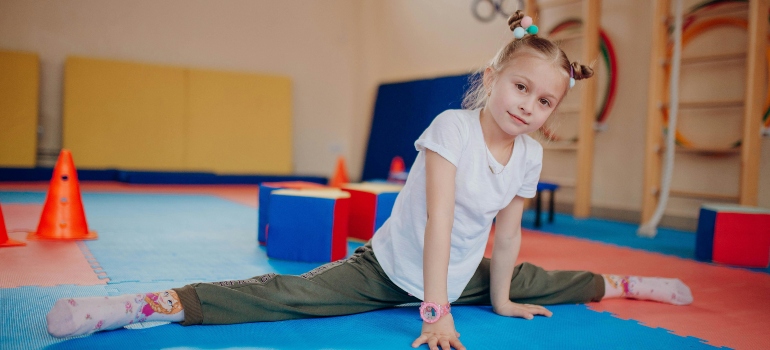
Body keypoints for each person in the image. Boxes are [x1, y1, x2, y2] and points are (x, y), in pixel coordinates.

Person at [46, 11, 692, 350]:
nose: (529, 106)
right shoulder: (452, 129)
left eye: (545, 101)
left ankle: (625, 284)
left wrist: (498, 300)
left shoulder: (527, 157)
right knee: (289, 295)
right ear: (494, 78)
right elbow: (438, 222)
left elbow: (508, 236)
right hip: (389, 267)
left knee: (533, 280)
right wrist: (435, 315)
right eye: (521, 87)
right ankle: (143, 306)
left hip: (461, 271)